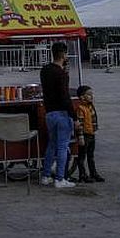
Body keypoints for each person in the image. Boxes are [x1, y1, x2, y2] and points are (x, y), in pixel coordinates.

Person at [40, 41, 76, 188]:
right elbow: (64, 96)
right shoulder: (61, 74)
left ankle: (46, 175)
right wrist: (74, 116)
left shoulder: (45, 70)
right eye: (66, 53)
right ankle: (60, 178)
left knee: (51, 145)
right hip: (61, 113)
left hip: (49, 113)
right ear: (62, 54)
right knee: (62, 146)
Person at [69, 85, 103, 183]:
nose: (91, 96)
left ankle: (93, 173)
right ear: (82, 97)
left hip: (91, 134)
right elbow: (80, 124)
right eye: (89, 94)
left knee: (91, 156)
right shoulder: (80, 109)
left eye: (92, 94)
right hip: (84, 135)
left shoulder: (90, 106)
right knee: (82, 156)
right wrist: (80, 137)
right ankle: (82, 174)